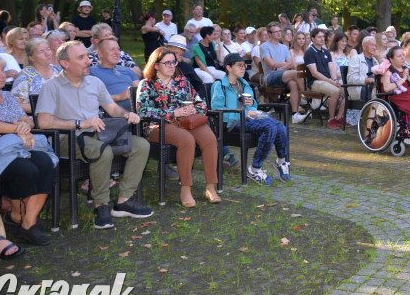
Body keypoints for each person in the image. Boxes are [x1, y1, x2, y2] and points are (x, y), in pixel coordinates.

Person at [36, 41, 153, 228]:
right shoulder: (52, 86)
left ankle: (123, 201)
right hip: (67, 138)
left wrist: (127, 114)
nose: (88, 61)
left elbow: (113, 109)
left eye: (87, 56)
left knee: (141, 146)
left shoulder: (94, 82)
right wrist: (79, 123)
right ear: (65, 63)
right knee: (103, 151)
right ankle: (101, 205)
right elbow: (43, 122)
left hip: (97, 133)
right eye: (81, 58)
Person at [0, 52, 56, 245]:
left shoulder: (8, 96)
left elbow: (25, 119)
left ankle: (27, 224)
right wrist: (16, 129)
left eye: (2, 70)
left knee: (45, 162)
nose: (2, 75)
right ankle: (18, 217)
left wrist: (25, 125)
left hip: (18, 147)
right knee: (25, 169)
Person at [136, 48, 221, 206]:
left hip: (186, 122)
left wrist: (195, 109)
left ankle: (210, 187)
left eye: (173, 62)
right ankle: (186, 189)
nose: (171, 66)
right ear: (156, 65)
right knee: (186, 140)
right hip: (157, 126)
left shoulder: (182, 81)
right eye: (167, 63)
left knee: (209, 138)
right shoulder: (146, 84)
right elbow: (143, 111)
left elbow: (200, 103)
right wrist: (173, 112)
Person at [210, 53, 290, 185]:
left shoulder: (244, 83)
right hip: (232, 123)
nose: (243, 68)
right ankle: (255, 168)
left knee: (279, 126)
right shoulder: (219, 86)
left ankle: (281, 161)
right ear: (229, 67)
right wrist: (243, 113)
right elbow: (217, 109)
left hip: (247, 119)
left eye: (244, 66)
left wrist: (251, 108)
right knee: (269, 128)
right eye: (239, 65)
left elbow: (253, 103)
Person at [261, 23, 304, 124]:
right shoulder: (264, 46)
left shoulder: (284, 48)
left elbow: (290, 64)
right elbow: (271, 64)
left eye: (279, 31)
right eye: (275, 32)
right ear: (269, 33)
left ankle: (295, 115)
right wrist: (283, 64)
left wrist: (279, 66)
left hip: (283, 75)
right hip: (270, 77)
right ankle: (307, 95)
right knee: (295, 73)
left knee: (293, 83)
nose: (279, 33)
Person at [11, 38, 61, 113]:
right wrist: (44, 109)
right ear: (31, 57)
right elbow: (15, 104)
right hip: (38, 119)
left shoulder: (60, 71)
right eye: (41, 52)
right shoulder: (25, 76)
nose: (47, 54)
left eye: (48, 49)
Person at [90, 37, 139, 112]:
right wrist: (118, 97)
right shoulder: (92, 72)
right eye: (112, 50)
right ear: (100, 54)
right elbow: (90, 99)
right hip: (112, 108)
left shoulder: (127, 70)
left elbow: (140, 89)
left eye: (118, 49)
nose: (117, 53)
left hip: (135, 103)